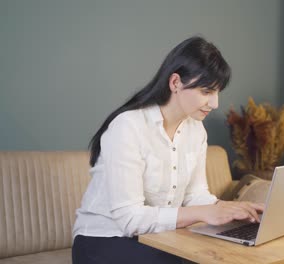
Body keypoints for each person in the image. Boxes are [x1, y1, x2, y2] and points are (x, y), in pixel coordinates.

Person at [72, 36, 265, 264]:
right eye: (206, 92)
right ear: (175, 83)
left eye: (217, 92)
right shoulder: (128, 126)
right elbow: (130, 219)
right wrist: (204, 213)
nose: (215, 104)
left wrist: (231, 209)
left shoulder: (196, 130)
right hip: (102, 240)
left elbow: (196, 195)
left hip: (155, 238)